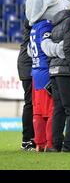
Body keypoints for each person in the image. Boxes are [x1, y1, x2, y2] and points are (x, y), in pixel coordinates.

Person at [42, 0, 70, 152]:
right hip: (66, 71)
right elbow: (69, 47)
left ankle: (55, 145)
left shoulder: (56, 24)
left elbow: (50, 48)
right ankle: (69, 145)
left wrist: (51, 66)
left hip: (54, 70)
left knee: (59, 109)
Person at [28, 19, 54, 152]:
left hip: (36, 72)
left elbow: (29, 51)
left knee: (38, 112)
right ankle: (50, 144)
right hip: (45, 73)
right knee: (51, 110)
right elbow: (47, 48)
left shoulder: (34, 27)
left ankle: (40, 143)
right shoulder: (46, 26)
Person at [18, 18, 35, 150]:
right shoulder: (30, 20)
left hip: (30, 64)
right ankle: (27, 140)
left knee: (36, 103)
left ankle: (35, 138)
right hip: (28, 65)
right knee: (30, 103)